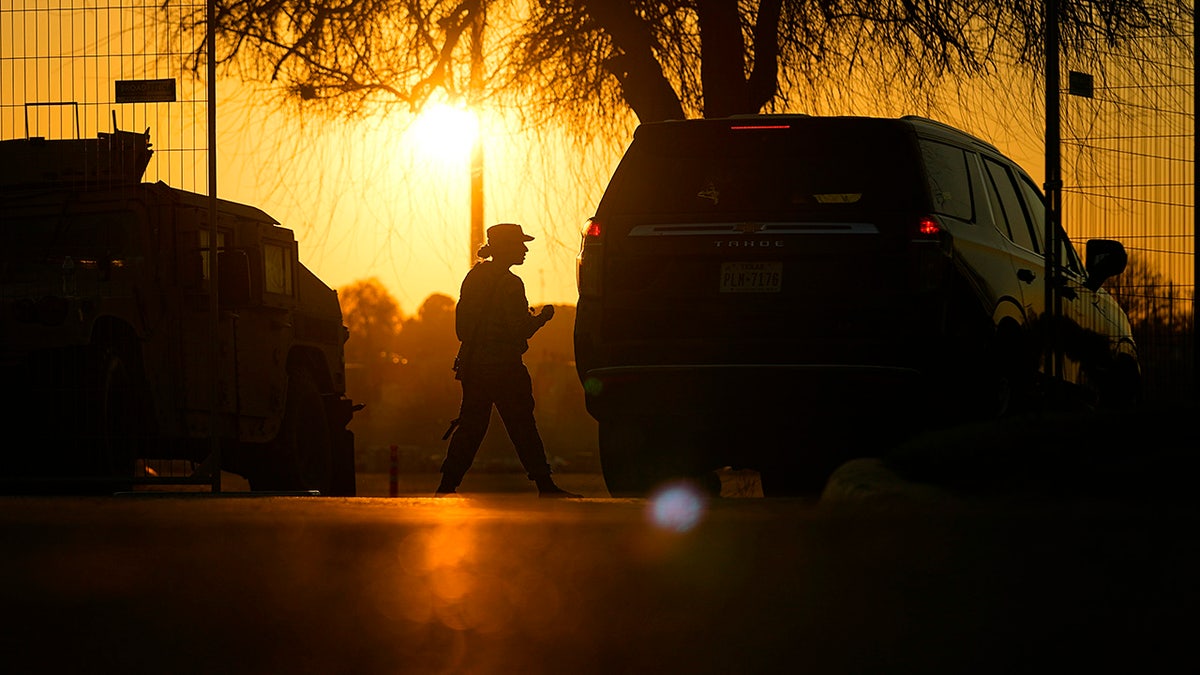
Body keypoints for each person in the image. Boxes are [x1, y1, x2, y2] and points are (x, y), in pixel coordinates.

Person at [436, 223, 582, 498]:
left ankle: (447, 484)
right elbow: (519, 329)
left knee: (471, 426)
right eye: (519, 244)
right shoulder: (511, 283)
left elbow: (462, 328)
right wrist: (542, 319)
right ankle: (544, 484)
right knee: (522, 425)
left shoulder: (474, 277)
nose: (525, 249)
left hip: (474, 366)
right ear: (505, 249)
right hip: (504, 366)